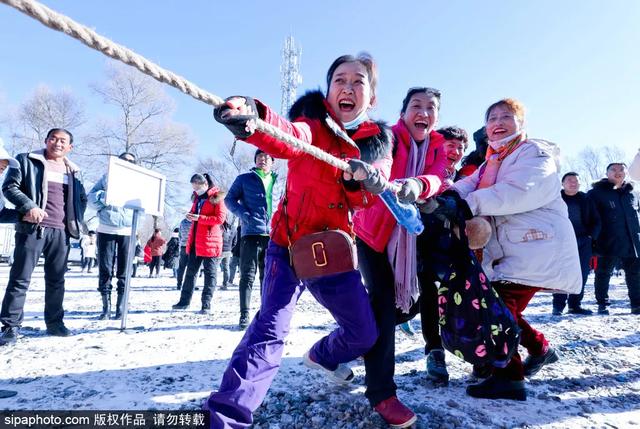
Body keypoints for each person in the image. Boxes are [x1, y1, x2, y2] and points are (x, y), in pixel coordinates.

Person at [206, 53, 390, 428]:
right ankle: (225, 418)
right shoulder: (312, 125)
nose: (348, 88)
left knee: (363, 332)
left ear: (371, 98)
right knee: (269, 330)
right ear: (328, 89)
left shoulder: (375, 146)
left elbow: (369, 195)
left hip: (333, 253)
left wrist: (363, 181)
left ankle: (323, 354)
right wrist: (251, 117)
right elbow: (288, 137)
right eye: (340, 80)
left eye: (358, 82)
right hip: (286, 247)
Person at [441, 98, 581, 400]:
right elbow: (470, 184)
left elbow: (519, 192)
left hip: (535, 246)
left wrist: (467, 204)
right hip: (512, 251)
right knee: (501, 308)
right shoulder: (493, 160)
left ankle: (509, 378)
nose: (498, 122)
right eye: (491, 117)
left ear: (522, 124)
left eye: (507, 116)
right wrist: (448, 196)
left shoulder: (533, 153)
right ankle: (538, 348)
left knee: (496, 310)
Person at [353, 86, 447, 427]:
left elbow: (437, 175)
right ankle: (382, 393)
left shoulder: (437, 145)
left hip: (411, 234)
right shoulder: (388, 135)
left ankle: (335, 347)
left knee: (406, 306)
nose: (423, 113)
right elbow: (382, 160)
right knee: (382, 302)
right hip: (373, 233)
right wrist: (381, 178)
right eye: (416, 106)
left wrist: (420, 186)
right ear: (404, 111)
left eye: (430, 107)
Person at [0, 128, 86, 345]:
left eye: (63, 141)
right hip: (32, 229)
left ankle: (55, 323)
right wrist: (28, 206)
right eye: (53, 139)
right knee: (20, 279)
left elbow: (81, 199)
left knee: (57, 281)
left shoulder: (74, 172)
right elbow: (9, 187)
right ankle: (10, 327)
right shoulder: (26, 160)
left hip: (61, 233)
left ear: (69, 147)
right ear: (46, 141)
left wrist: (74, 222)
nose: (57, 143)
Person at [225, 149, 277, 328]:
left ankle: (265, 313)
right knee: (247, 276)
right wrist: (243, 214)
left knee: (267, 277)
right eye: (259, 157)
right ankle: (244, 314)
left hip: (272, 235)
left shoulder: (277, 181)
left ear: (272, 161)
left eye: (266, 157)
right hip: (251, 233)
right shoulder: (244, 179)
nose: (263, 159)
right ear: (255, 160)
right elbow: (229, 199)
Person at [87, 152, 136, 320]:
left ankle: (120, 307)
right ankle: (106, 308)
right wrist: (103, 197)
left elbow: (145, 206)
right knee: (105, 269)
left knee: (124, 271)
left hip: (127, 231)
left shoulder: (139, 182)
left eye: (131, 161)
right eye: (124, 160)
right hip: (106, 228)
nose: (127, 163)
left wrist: (136, 224)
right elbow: (91, 199)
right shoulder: (106, 178)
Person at [588, 163, 640, 315]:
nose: (618, 172)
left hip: (632, 241)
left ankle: (637, 304)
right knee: (604, 272)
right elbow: (590, 216)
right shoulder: (596, 193)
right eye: (614, 170)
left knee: (635, 274)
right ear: (607, 173)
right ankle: (602, 303)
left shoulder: (633, 193)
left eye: (621, 169)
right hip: (607, 240)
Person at [172, 173, 226, 313]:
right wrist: (190, 215)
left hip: (210, 242)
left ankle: (206, 303)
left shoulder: (217, 197)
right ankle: (184, 302)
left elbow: (220, 219)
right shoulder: (196, 199)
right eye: (194, 186)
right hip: (195, 241)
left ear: (206, 184)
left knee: (210, 274)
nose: (196, 189)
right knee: (190, 273)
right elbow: (193, 214)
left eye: (198, 185)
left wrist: (199, 218)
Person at [552, 172, 601, 315]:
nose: (573, 183)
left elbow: (597, 220)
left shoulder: (586, 199)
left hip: (583, 241)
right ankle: (558, 306)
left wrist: (591, 236)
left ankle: (575, 305)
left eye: (576, 181)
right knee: (561, 273)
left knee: (581, 274)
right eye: (569, 180)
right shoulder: (555, 199)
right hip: (561, 240)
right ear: (562, 183)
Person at [219, 213, 238, 291]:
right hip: (228, 251)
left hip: (220, 250)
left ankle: (212, 284)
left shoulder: (220, 227)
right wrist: (230, 248)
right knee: (226, 268)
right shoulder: (234, 229)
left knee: (214, 267)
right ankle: (225, 284)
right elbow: (235, 241)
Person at [176, 217, 192, 290]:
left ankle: (179, 284)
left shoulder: (182, 222)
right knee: (191, 267)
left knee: (181, 267)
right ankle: (189, 285)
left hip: (183, 246)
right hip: (191, 247)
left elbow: (179, 235)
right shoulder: (194, 222)